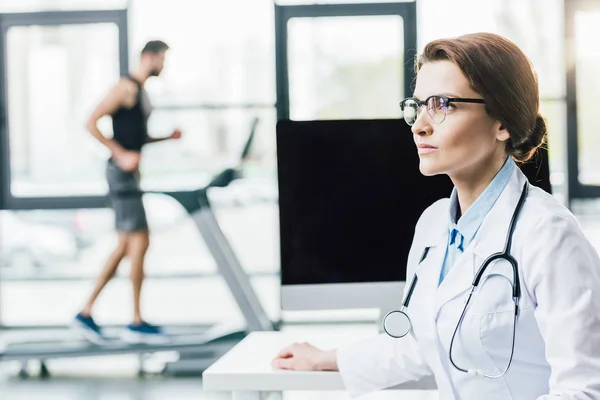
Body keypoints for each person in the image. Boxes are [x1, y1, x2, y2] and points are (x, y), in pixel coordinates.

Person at [271, 33, 600, 399]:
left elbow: (584, 390)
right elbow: (424, 344)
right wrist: (327, 358)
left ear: (502, 123)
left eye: (443, 105)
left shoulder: (548, 234)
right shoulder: (433, 227)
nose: (419, 125)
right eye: (418, 106)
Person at [73, 40, 181, 344]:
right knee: (138, 242)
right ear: (149, 57)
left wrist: (164, 138)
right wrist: (119, 153)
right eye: (162, 59)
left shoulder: (141, 91)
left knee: (128, 246)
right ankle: (124, 318)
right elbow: (91, 122)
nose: (164, 65)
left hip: (130, 175)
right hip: (121, 175)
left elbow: (136, 136)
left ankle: (95, 314)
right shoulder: (125, 87)